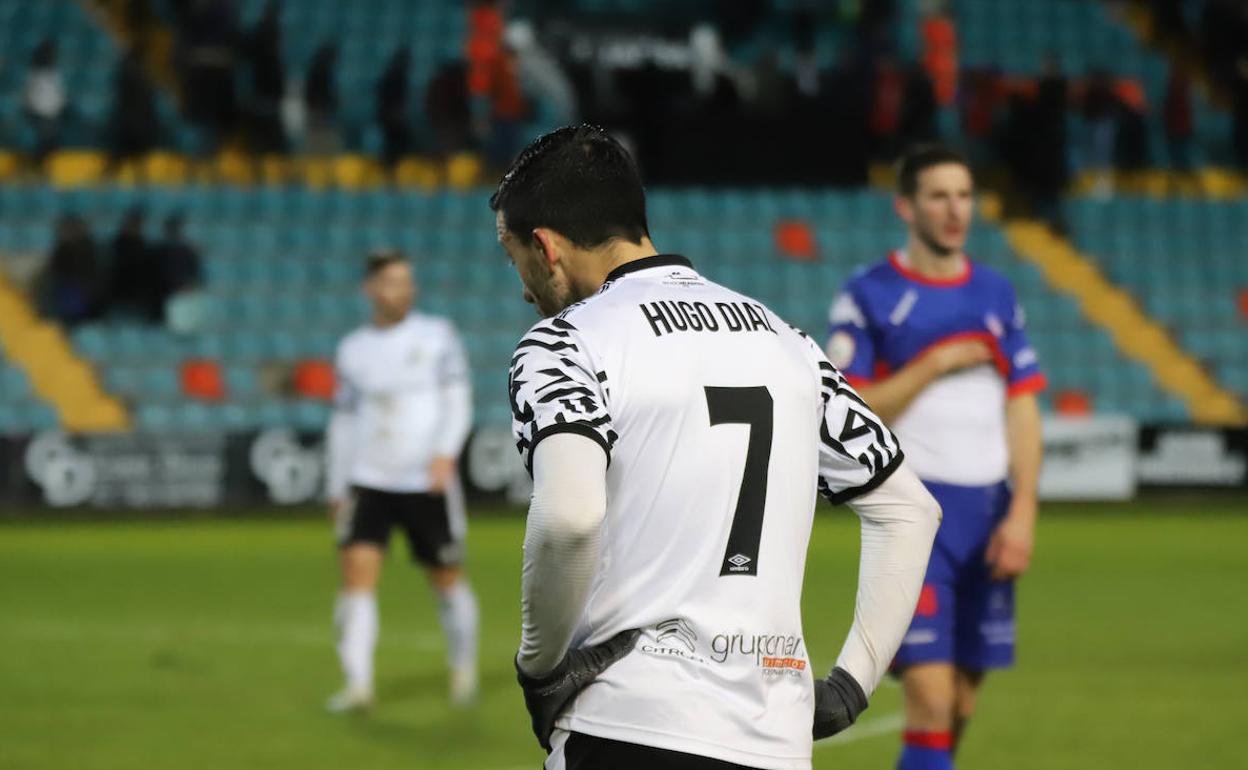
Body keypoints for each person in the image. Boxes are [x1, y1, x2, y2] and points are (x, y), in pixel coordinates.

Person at [493, 125, 942, 769]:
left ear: (546, 246)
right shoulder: (788, 344)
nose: (525, 292)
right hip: (774, 743)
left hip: (627, 722)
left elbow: (568, 518)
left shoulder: (567, 343)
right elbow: (909, 510)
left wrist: (538, 668)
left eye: (519, 263)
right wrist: (849, 686)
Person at [824, 144, 1045, 770]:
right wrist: (936, 364)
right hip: (917, 516)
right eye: (939, 196)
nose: (956, 211)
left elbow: (1024, 408)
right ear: (906, 206)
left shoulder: (997, 294)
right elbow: (851, 411)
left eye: (965, 196)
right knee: (928, 703)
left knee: (957, 710)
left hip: (992, 515)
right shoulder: (870, 293)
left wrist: (1023, 508)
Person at [324, 250, 478, 712]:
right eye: (392, 282)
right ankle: (358, 685)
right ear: (371, 289)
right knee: (356, 577)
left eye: (407, 281)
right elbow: (345, 420)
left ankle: (463, 666)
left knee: (446, 577)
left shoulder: (437, 336)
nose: (403, 290)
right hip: (369, 479)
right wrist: (337, 483)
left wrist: (445, 454)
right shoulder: (353, 348)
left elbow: (458, 400)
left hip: (423, 480)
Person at [24, 41, 66, 162]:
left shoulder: (55, 73)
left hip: (53, 114)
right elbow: (30, 96)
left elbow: (59, 94)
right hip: (40, 114)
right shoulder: (34, 74)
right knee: (43, 141)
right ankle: (34, 165)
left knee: (51, 142)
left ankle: (40, 165)